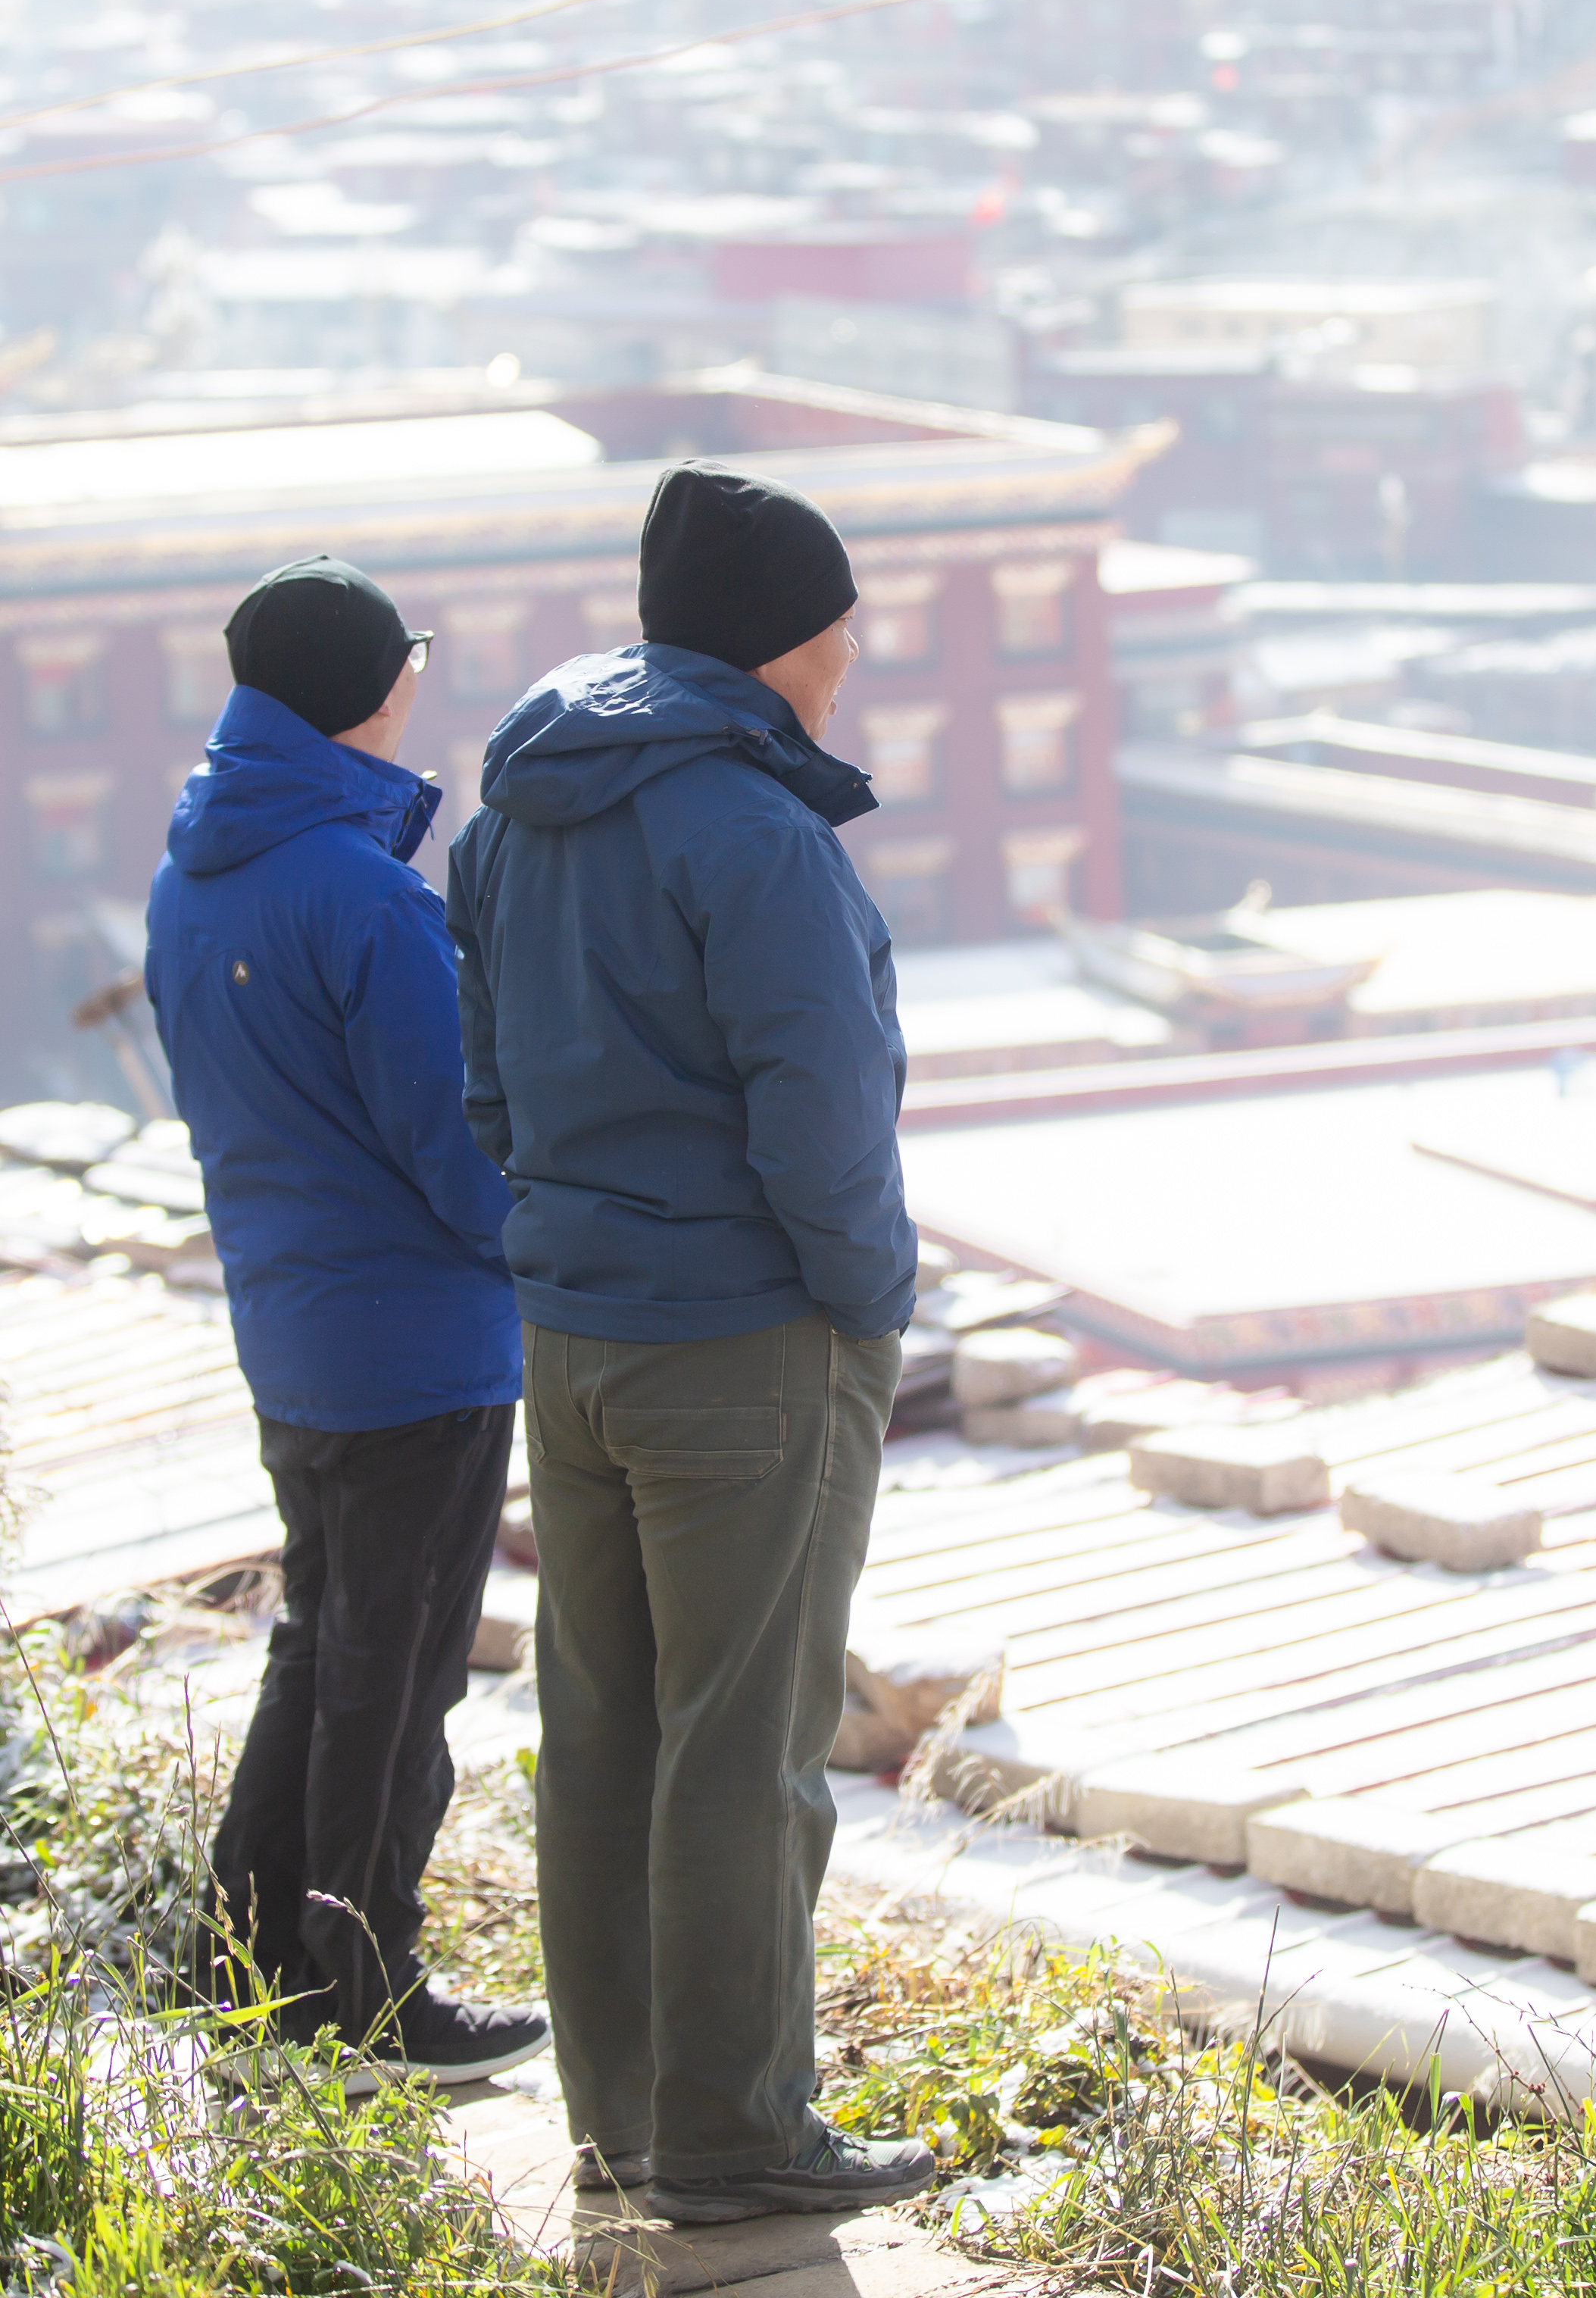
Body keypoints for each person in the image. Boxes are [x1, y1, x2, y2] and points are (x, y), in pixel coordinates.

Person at [445, 463, 932, 2222]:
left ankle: (625, 2117)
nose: (849, 661)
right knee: (743, 1747)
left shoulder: (514, 817)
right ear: (781, 642)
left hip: (571, 1334)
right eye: (838, 630)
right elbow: (822, 1115)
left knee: (603, 1731)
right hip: (746, 1342)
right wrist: (864, 1301)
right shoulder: (755, 836)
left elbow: (485, 1082)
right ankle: (736, 2140)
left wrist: (572, 1227)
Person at [145, 554, 549, 2090]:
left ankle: (248, 1971)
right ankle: (366, 2002)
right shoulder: (363, 897)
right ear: (374, 691)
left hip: (295, 1331)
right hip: (418, 1351)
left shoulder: (195, 873)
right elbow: (459, 1152)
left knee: (322, 1654)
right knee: (395, 1685)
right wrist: (556, 1254)